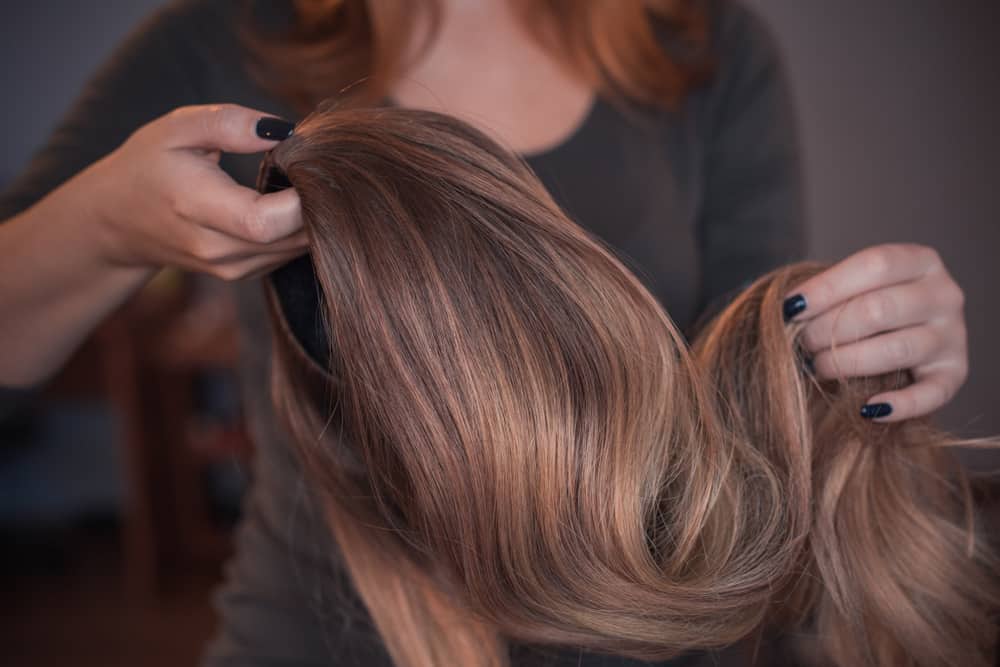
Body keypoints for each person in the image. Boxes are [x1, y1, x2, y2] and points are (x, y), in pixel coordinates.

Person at [0, 0, 971, 665]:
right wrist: (105, 224)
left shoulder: (704, 48)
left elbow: (746, 407)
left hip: (648, 637)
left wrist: (850, 355)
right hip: (319, 629)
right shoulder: (218, 42)